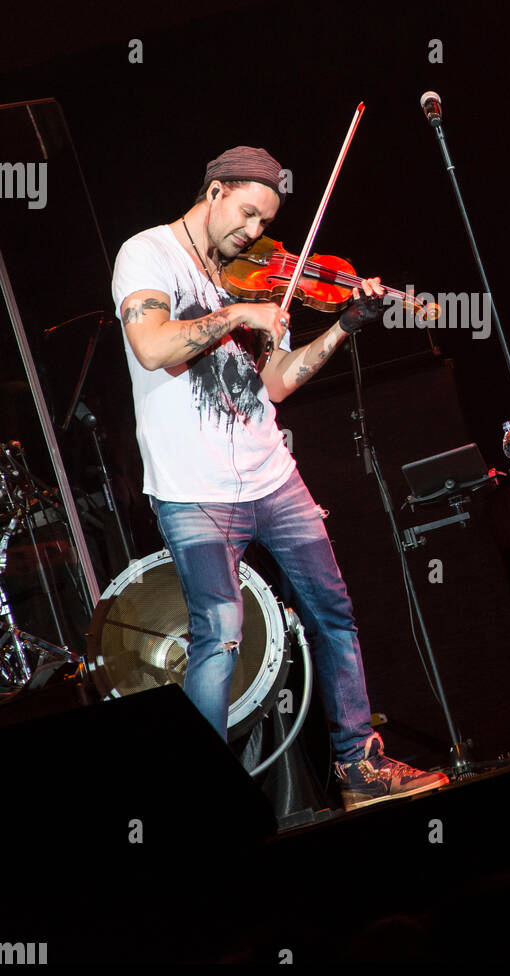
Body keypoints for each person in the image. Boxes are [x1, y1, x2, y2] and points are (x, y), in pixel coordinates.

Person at [111, 144, 448, 809]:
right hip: (192, 487)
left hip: (272, 474)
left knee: (334, 611)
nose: (253, 234)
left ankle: (358, 764)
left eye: (264, 223)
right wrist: (237, 314)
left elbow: (275, 383)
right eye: (245, 213)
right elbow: (151, 345)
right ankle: (208, 801)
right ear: (214, 191)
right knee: (218, 637)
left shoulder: (251, 275)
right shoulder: (147, 254)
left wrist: (347, 324)